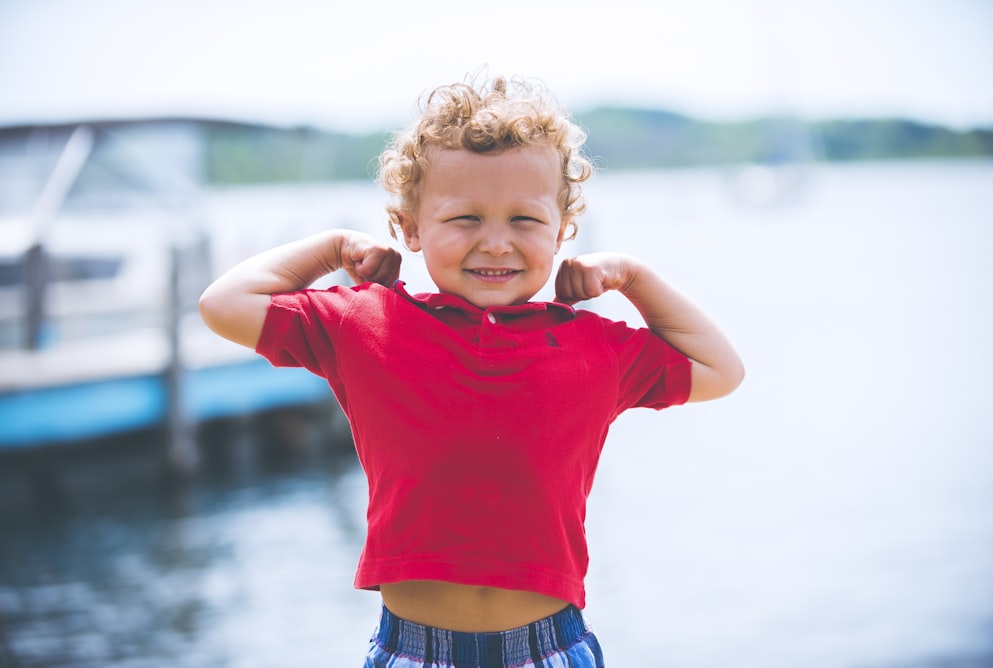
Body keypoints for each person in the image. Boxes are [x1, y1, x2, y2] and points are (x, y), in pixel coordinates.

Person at [199, 73, 744, 668]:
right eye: (464, 219)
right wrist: (330, 249)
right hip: (412, 650)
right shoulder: (364, 325)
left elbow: (720, 369)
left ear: (562, 230)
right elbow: (223, 305)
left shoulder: (594, 346)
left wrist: (634, 278)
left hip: (550, 647)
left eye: (524, 221)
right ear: (409, 228)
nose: (495, 243)